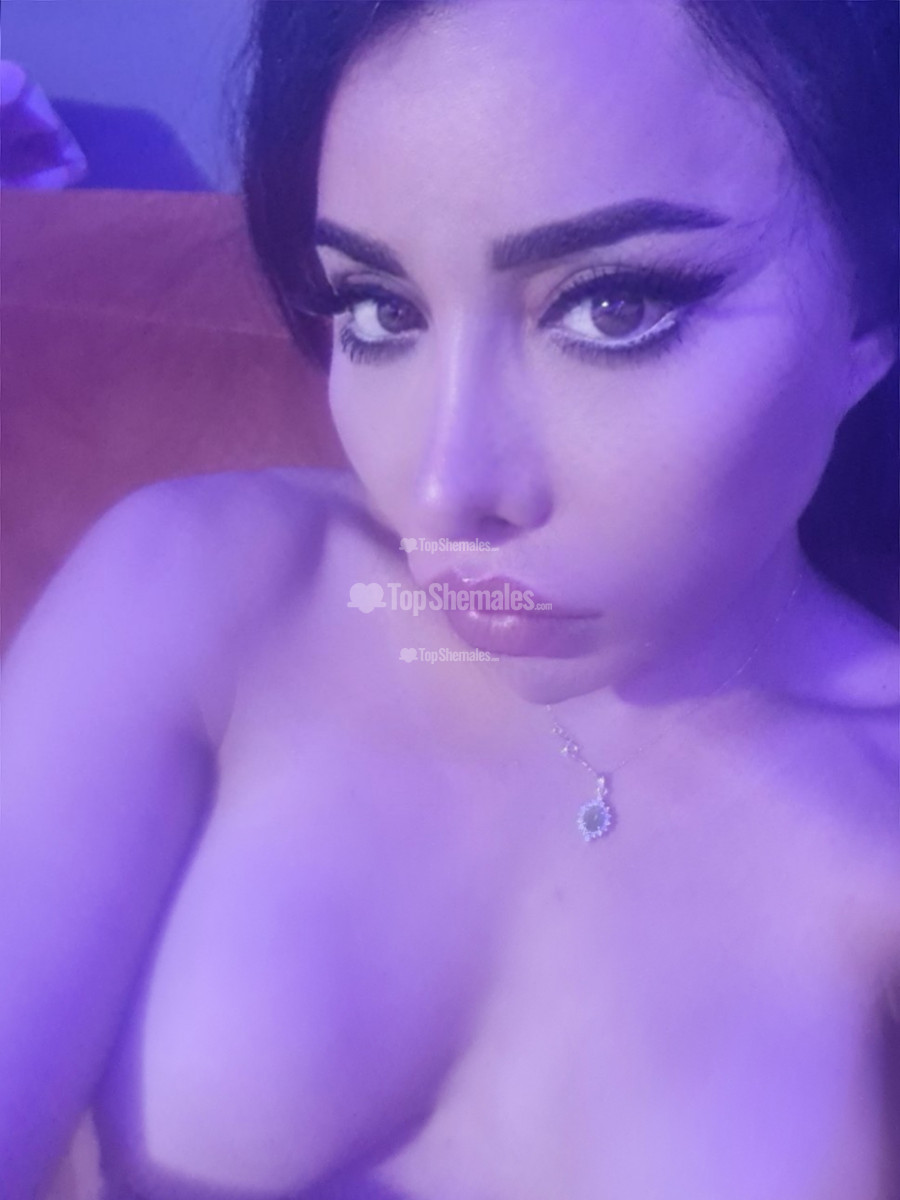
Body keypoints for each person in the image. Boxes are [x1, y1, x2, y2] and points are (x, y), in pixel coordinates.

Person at [2, 1, 898, 1198]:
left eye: (613, 307)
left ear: (870, 318)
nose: (443, 486)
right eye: (380, 309)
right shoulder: (203, 590)